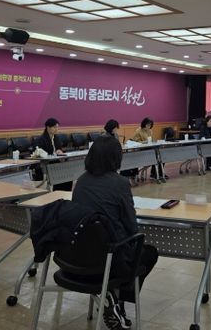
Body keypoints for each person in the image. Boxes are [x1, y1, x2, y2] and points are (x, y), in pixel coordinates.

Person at [73, 135, 158, 330]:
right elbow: (132, 227)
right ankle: (118, 302)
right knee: (149, 253)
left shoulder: (81, 181)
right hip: (109, 259)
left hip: (78, 257)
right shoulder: (120, 183)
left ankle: (113, 299)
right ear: (116, 158)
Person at [38, 118, 72, 191]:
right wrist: (54, 153)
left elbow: (60, 149)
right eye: (54, 127)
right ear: (48, 127)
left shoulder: (56, 138)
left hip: (56, 162)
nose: (56, 129)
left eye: (57, 127)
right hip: (47, 164)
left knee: (68, 175)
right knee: (61, 175)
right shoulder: (41, 139)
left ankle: (64, 193)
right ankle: (57, 191)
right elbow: (42, 154)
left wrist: (60, 152)